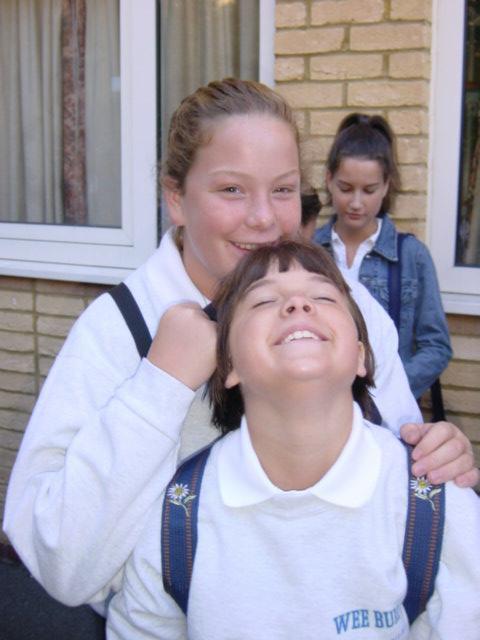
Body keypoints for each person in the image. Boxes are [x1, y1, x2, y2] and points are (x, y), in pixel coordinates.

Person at [3, 79, 477, 611]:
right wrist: (160, 384)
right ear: (176, 199)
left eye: (283, 190)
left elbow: (402, 475)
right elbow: (58, 563)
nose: (265, 218)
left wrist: (435, 455)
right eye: (232, 189)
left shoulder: (351, 310)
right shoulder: (119, 328)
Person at [106, 241, 480, 639]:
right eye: (264, 301)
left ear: (361, 356)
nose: (298, 304)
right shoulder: (177, 517)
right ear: (228, 363)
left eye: (323, 297)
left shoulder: (434, 499)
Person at [314, 113, 452, 401]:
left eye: (369, 190)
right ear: (329, 179)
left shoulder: (411, 256)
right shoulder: (310, 251)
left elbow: (436, 346)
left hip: (387, 414)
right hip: (318, 404)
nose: (356, 202)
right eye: (345, 188)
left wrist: (388, 391)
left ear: (386, 185)